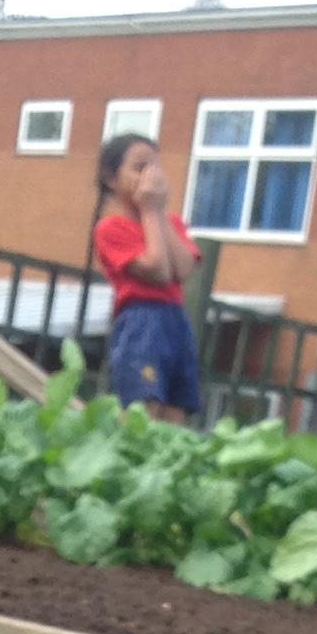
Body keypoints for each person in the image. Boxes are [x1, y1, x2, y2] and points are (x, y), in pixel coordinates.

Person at [91, 137, 204, 423]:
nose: (150, 177)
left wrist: (157, 214)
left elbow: (183, 268)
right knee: (145, 406)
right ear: (111, 178)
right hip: (140, 322)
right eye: (140, 168)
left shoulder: (172, 223)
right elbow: (158, 270)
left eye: (155, 167)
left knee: (176, 409)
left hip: (175, 320)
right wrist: (150, 210)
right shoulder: (111, 228)